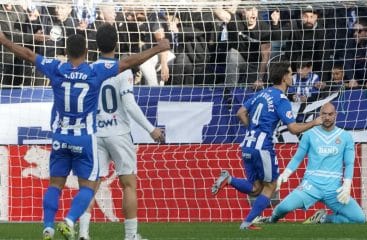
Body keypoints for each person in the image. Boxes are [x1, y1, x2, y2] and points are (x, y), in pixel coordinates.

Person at [0, 23, 169, 240]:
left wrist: (4, 41)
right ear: (87, 50)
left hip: (66, 137)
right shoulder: (96, 71)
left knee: (57, 184)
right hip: (93, 136)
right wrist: (157, 48)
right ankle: (95, 227)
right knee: (102, 186)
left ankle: (62, 229)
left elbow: (29, 54)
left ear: (66, 52)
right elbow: (128, 67)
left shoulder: (57, 68)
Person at [78, 23, 165, 240]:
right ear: (116, 43)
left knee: (90, 186)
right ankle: (130, 236)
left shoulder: (90, 70)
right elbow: (129, 104)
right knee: (128, 185)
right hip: (119, 134)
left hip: (96, 133)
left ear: (96, 45)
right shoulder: (122, 69)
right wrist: (151, 129)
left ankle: (83, 234)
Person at [211, 62, 322, 230]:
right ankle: (246, 224)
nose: (292, 77)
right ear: (284, 77)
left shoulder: (261, 93)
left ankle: (229, 179)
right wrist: (315, 122)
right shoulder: (281, 99)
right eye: (291, 74)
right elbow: (293, 129)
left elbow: (240, 112)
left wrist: (252, 130)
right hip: (262, 147)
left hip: (248, 144)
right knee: (271, 186)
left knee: (256, 188)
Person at [253, 103, 366, 225]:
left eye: (330, 114)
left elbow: (349, 163)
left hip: (333, 189)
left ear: (335, 115)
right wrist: (285, 174)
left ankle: (323, 219)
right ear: (319, 115)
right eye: (324, 114)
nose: (327, 117)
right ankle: (271, 220)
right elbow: (297, 158)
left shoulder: (345, 136)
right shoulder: (309, 134)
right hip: (310, 186)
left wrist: (347, 185)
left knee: (359, 219)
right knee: (283, 208)